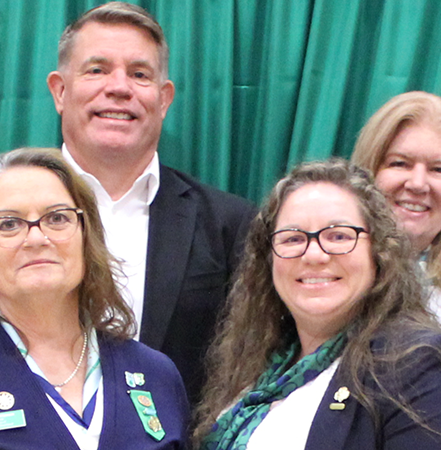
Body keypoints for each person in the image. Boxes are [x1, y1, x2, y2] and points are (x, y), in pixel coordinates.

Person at [0, 148, 190, 449]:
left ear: (87, 240)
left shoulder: (155, 374)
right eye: (9, 224)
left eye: (57, 218)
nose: (37, 239)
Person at [38, 1, 255, 400]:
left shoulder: (230, 223)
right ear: (60, 91)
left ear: (164, 98)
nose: (119, 87)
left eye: (139, 74)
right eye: (97, 70)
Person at [196, 159, 441, 449]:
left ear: (379, 252)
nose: (314, 254)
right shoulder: (260, 368)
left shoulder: (419, 363)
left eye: (339, 236)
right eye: (293, 238)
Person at [348, 91, 441, 415]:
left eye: (439, 170)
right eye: (399, 163)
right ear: (365, 174)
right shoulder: (323, 275)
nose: (418, 184)